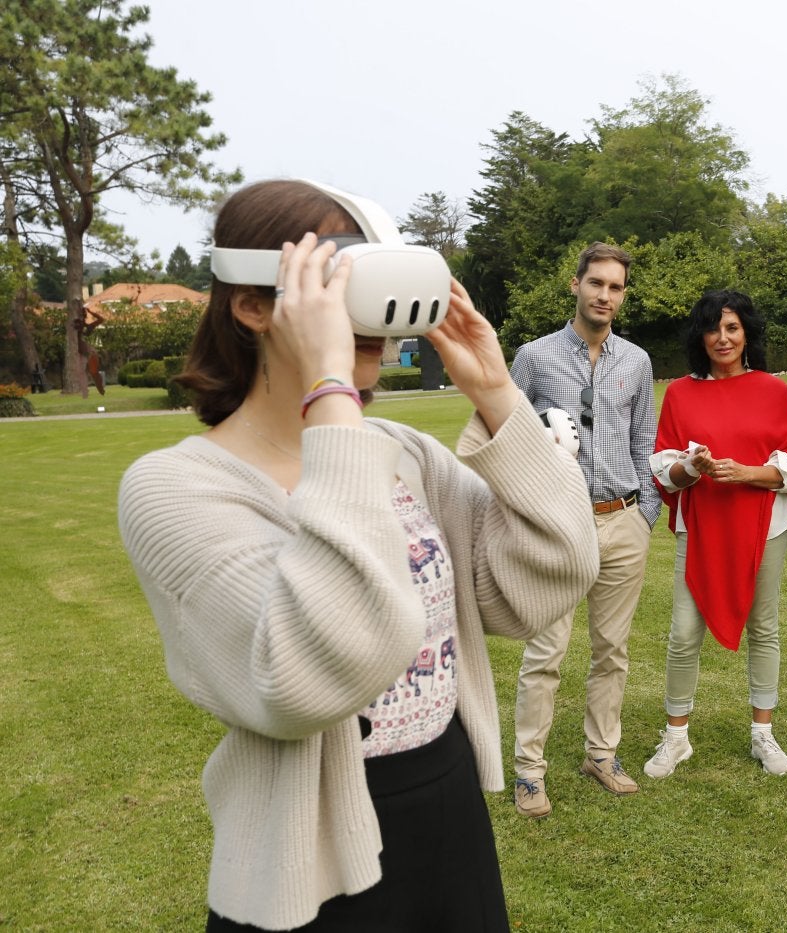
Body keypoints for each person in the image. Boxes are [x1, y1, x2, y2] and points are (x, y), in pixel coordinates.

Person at [117, 179, 598, 931]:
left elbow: (558, 568)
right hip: (305, 850)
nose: (366, 311)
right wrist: (331, 397)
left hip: (447, 802)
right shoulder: (173, 489)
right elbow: (311, 672)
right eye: (334, 279)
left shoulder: (401, 453)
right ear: (250, 303)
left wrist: (499, 394)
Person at [508, 242, 660, 817]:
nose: (605, 295)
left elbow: (644, 438)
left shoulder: (637, 361)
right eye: (596, 283)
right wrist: (533, 511)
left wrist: (644, 512)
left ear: (623, 294)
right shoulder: (534, 356)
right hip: (560, 524)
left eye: (616, 287)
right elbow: (513, 437)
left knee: (611, 651)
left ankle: (602, 753)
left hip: (623, 519)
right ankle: (529, 770)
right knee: (546, 651)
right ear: (575, 285)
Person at [642, 290, 787, 779]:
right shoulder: (680, 394)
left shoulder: (773, 391)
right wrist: (692, 469)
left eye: (732, 328)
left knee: (764, 627)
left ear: (746, 334)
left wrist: (748, 474)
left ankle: (763, 732)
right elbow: (664, 473)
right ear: (701, 335)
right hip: (700, 527)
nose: (723, 337)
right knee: (683, 632)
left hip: (765, 526)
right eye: (713, 328)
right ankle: (675, 738)